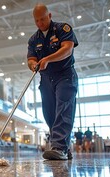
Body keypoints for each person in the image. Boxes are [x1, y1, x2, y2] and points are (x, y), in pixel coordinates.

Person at [27, 3, 79, 160]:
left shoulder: (63, 29)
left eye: (42, 19)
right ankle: (63, 146)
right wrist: (33, 65)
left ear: (49, 15)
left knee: (63, 108)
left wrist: (48, 59)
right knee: (49, 113)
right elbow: (30, 59)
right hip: (46, 79)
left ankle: (59, 147)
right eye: (36, 21)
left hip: (65, 75)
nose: (40, 23)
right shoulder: (33, 39)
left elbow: (68, 49)